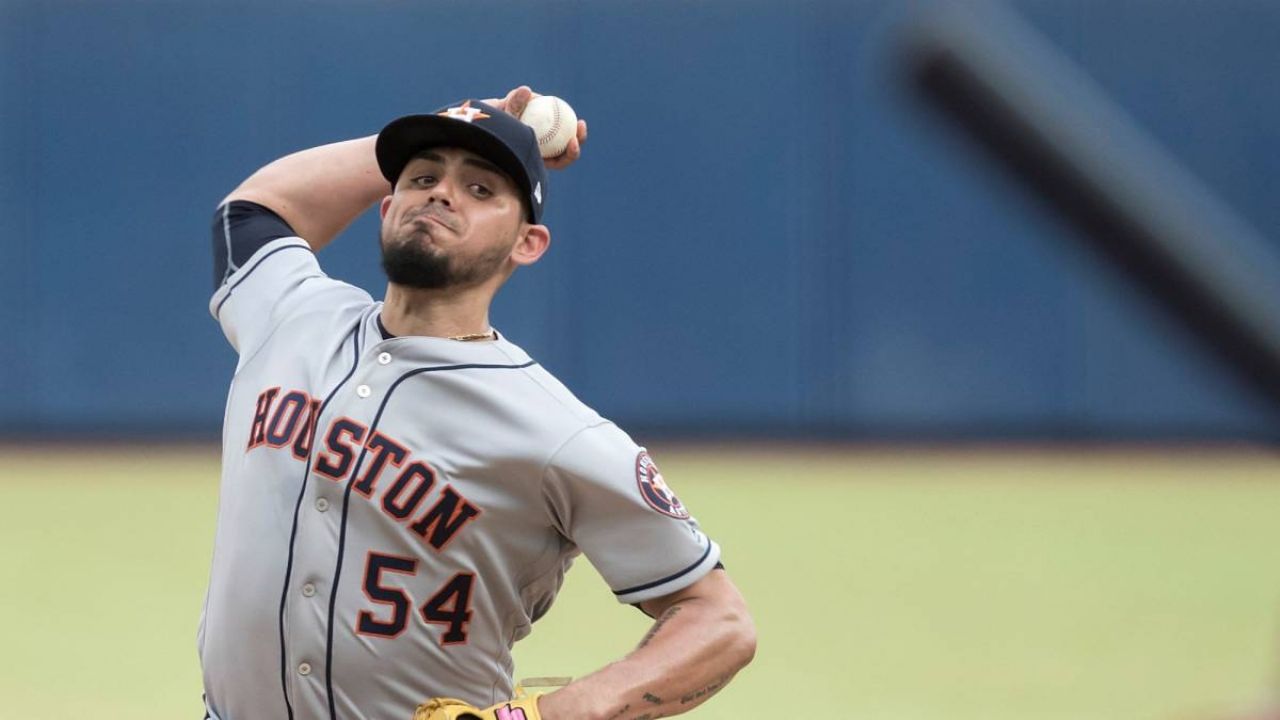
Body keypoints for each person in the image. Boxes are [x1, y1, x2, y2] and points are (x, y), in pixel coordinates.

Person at [201, 86, 756, 720]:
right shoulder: (290, 316)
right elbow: (255, 208)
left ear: (528, 244)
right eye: (421, 178)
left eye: (481, 189)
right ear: (385, 208)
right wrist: (461, 119)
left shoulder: (554, 431)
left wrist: (560, 713)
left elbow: (720, 620)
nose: (440, 193)